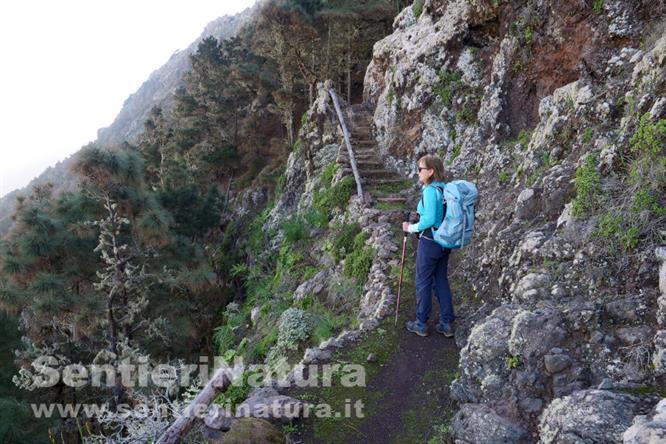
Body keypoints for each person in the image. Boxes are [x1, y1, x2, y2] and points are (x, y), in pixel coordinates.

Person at [401, 154, 455, 337]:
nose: (417, 173)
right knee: (440, 279)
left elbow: (431, 219)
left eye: (420, 169)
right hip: (444, 242)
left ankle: (421, 322)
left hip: (430, 242)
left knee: (423, 281)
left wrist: (411, 228)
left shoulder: (430, 191)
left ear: (431, 171)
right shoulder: (445, 188)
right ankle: (446, 323)